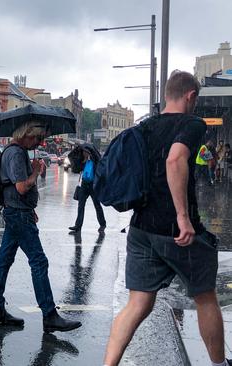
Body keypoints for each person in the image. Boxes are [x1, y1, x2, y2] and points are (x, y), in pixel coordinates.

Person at [104, 71, 232, 366]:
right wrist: (183, 217)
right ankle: (217, 364)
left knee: (138, 303)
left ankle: (108, 364)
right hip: (178, 231)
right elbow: (175, 159)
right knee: (205, 296)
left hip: (141, 227)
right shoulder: (192, 123)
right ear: (191, 96)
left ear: (166, 95)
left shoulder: (145, 127)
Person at [0, 120, 81, 333]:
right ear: (26, 134)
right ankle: (49, 315)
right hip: (19, 215)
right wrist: (35, 172)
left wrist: (30, 207)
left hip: (18, 212)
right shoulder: (17, 153)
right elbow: (21, 187)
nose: (39, 143)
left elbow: (15, 189)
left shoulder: (14, 152)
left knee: (3, 262)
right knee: (39, 262)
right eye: (37, 138)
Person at [69, 147, 106, 233]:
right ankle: (78, 226)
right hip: (84, 185)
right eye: (83, 152)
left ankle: (102, 224)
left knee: (97, 205)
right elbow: (76, 169)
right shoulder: (82, 161)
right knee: (80, 206)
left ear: (89, 152)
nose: (84, 153)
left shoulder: (94, 161)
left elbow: (99, 171)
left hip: (93, 186)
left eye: (85, 152)